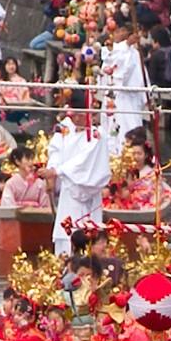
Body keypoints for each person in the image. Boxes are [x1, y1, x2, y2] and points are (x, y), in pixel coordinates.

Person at [46, 104, 112, 254]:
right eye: (73, 114)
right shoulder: (65, 128)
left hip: (86, 189)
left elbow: (84, 162)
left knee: (89, 234)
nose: (75, 118)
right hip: (67, 191)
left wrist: (58, 171)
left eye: (79, 115)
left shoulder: (97, 135)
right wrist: (52, 169)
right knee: (65, 233)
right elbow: (55, 150)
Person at [102, 21, 151, 147]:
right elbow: (118, 69)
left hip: (132, 99)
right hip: (117, 98)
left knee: (133, 128)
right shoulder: (114, 51)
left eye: (123, 31)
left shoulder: (135, 53)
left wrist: (146, 97)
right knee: (115, 131)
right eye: (118, 31)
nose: (120, 34)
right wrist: (127, 44)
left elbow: (141, 75)